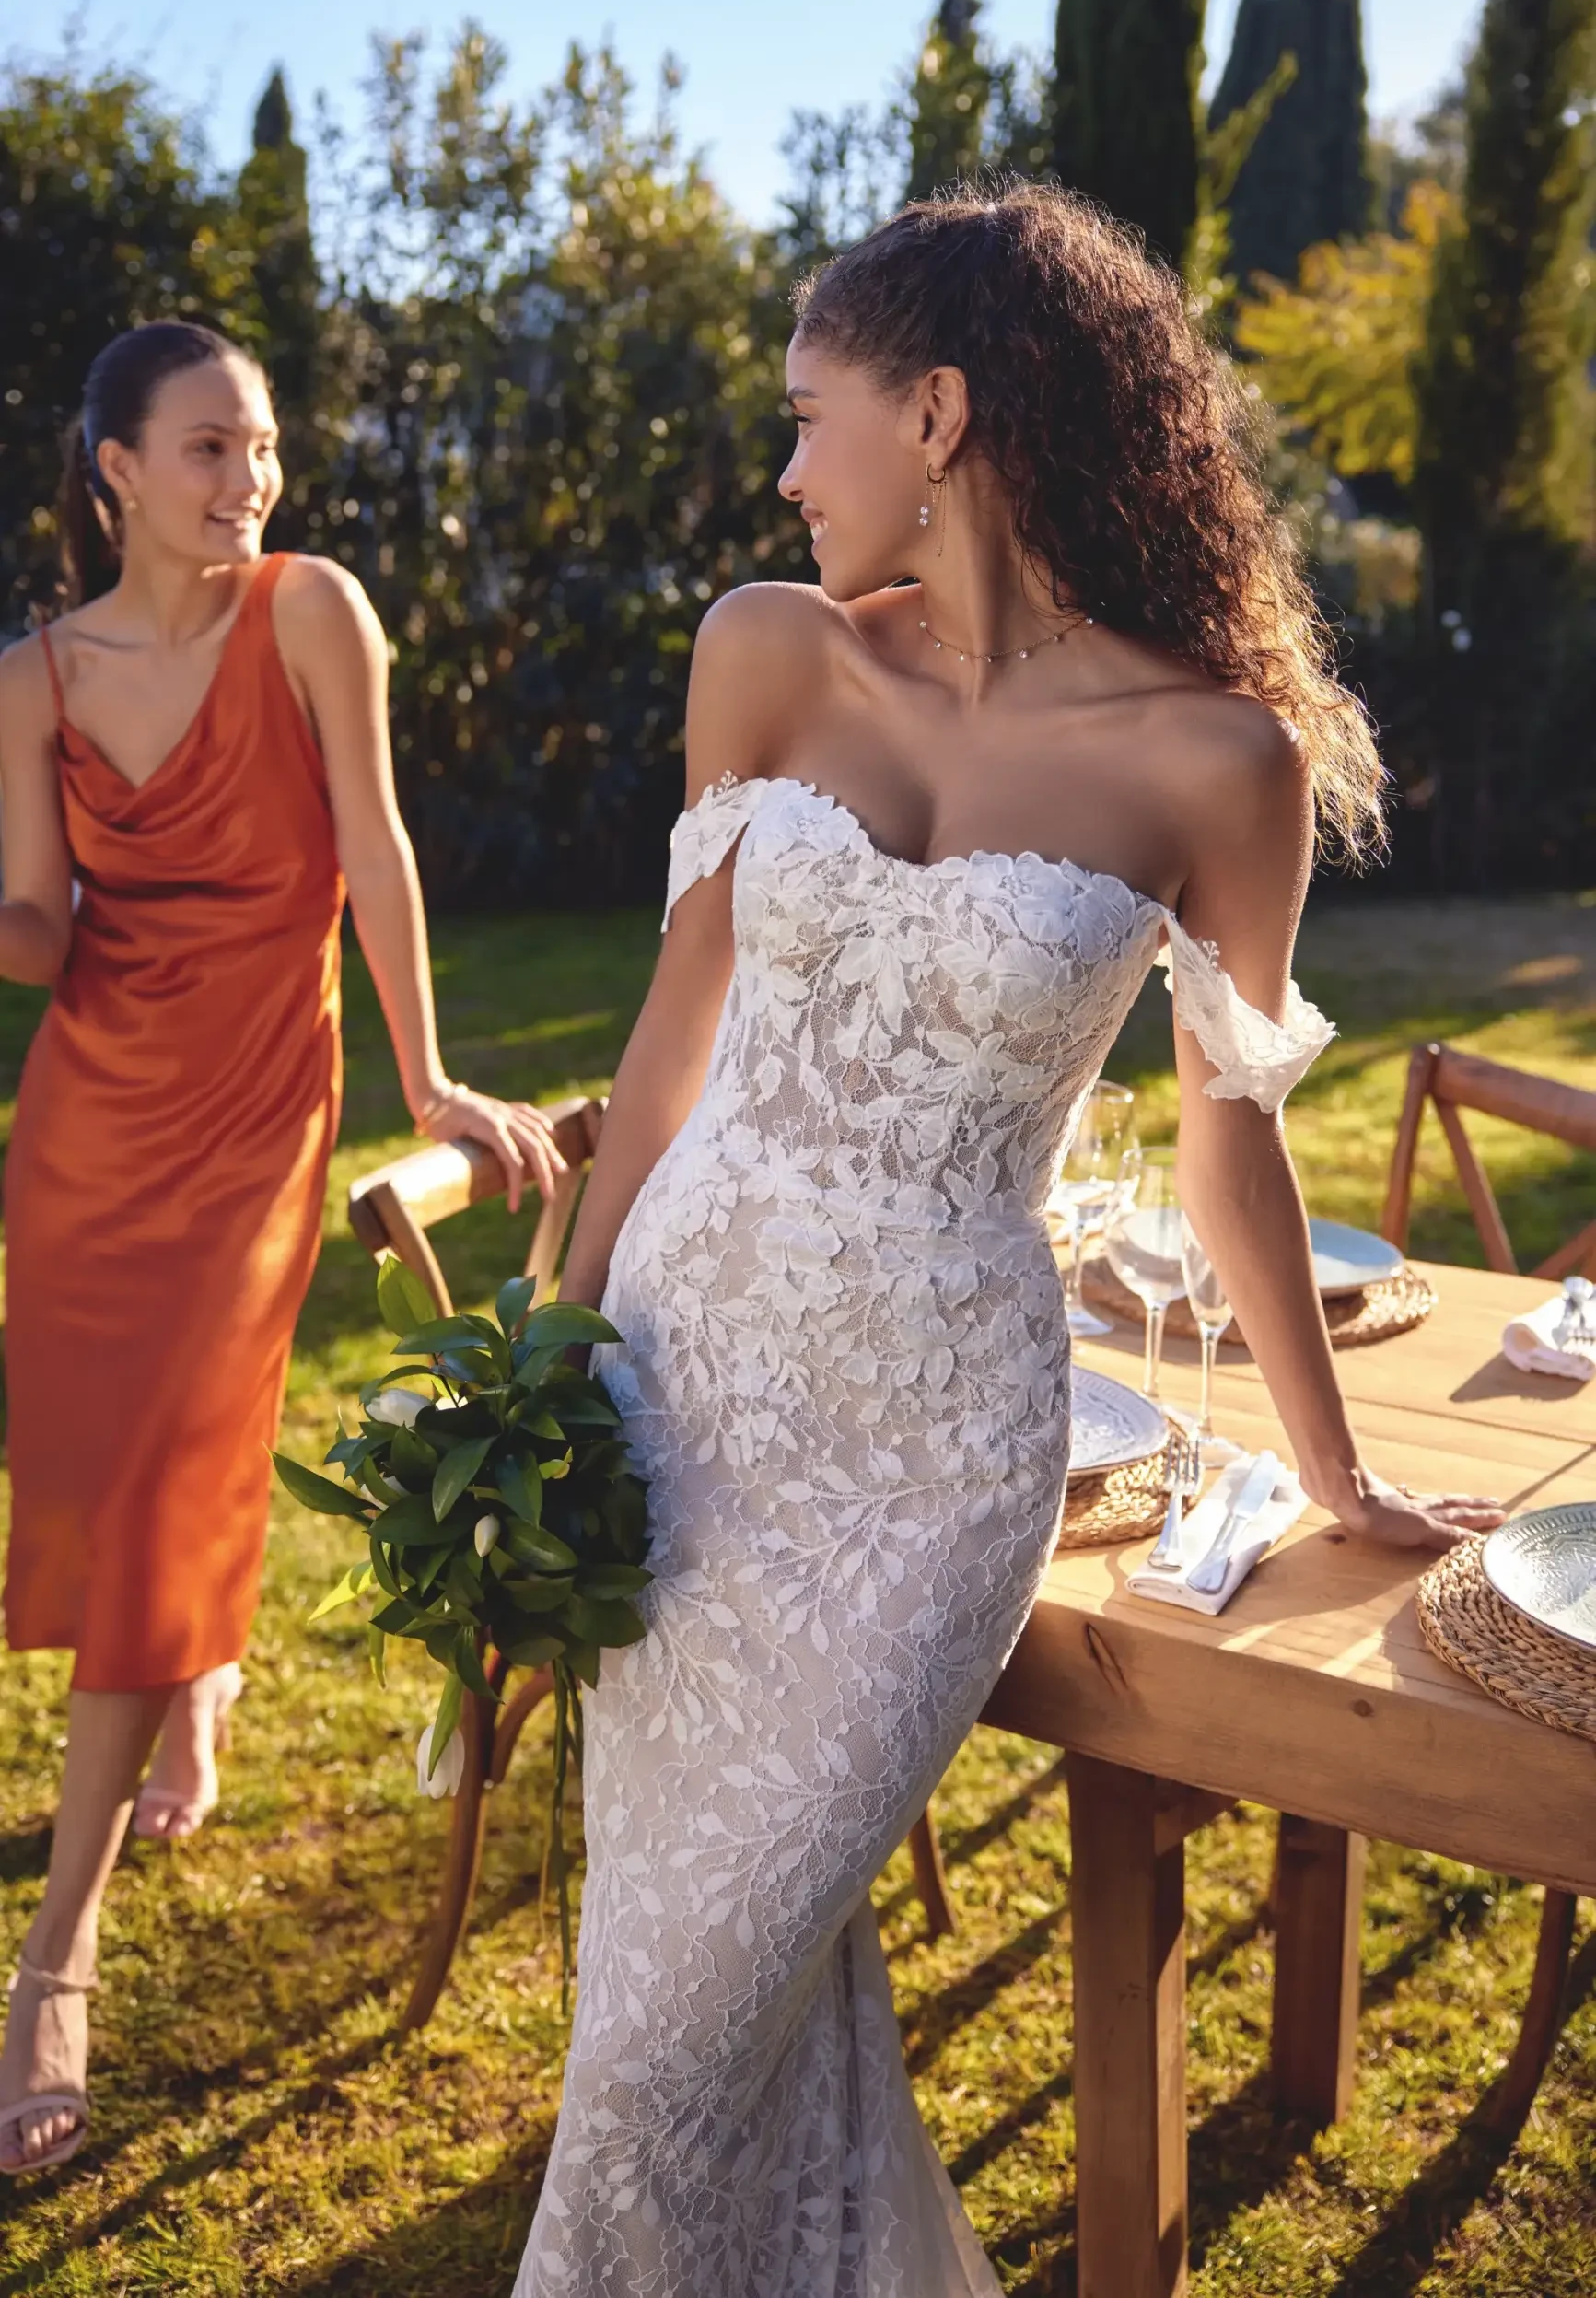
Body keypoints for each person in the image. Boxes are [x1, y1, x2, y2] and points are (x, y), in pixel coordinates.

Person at [512, 186, 1503, 2295]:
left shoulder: (1216, 762)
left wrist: (1329, 1477)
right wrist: (545, 1344)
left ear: (937, 411)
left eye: (810, 415)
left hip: (925, 1465)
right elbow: (673, 1019)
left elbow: (1236, 1164)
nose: (784, 469)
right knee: (686, 1994)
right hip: (683, 1396)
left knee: (675, 2039)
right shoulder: (762, 650)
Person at [0, 320, 565, 2175]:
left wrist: (428, 1073)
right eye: (207, 448)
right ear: (112, 472)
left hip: (259, 1104)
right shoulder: (30, 678)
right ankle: (202, 1681)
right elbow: (37, 929)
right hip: (89, 1121)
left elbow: (377, 848)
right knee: (108, 1462)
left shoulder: (313, 611)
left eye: (259, 444)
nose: (248, 475)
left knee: (169, 1455)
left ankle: (54, 1959)